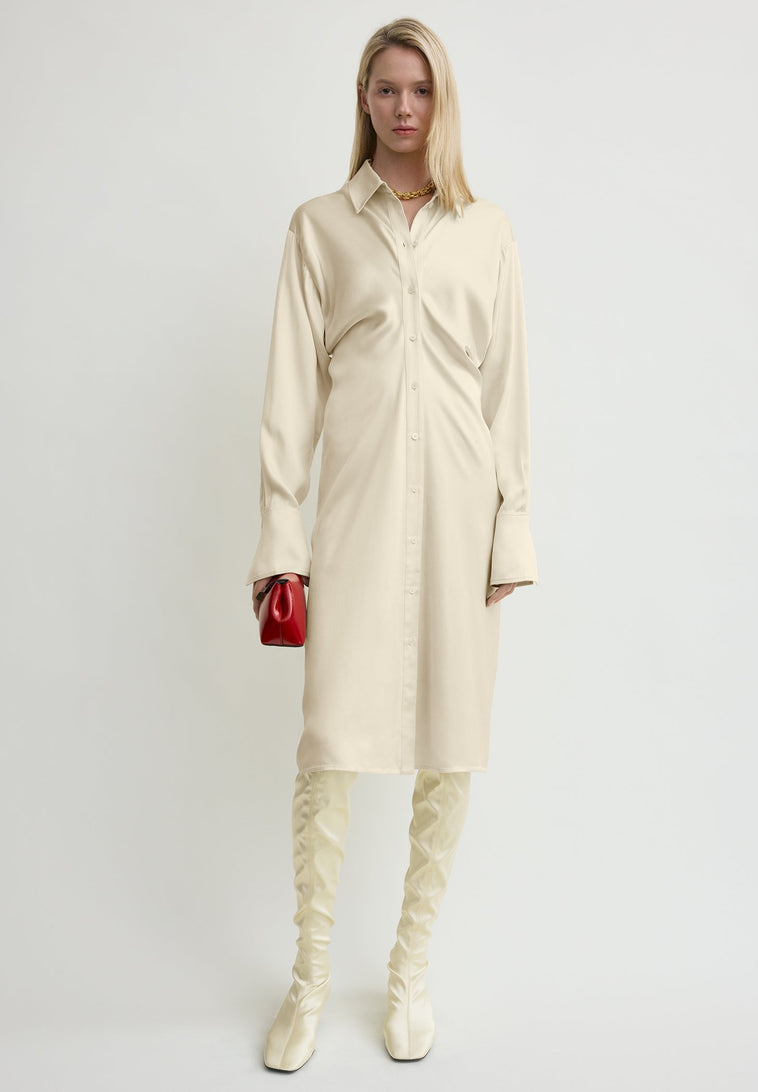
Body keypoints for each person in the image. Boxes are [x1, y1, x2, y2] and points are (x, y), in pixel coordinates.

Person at [245, 17, 539, 1071]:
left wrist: (512, 531)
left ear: (440, 100)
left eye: (420, 89)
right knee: (330, 744)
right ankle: (311, 976)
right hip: (357, 516)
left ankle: (410, 971)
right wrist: (282, 545)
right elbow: (289, 401)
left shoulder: (487, 231)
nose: (403, 107)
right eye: (385, 89)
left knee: (450, 746)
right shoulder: (320, 228)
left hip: (462, 517)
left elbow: (507, 393)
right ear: (363, 100)